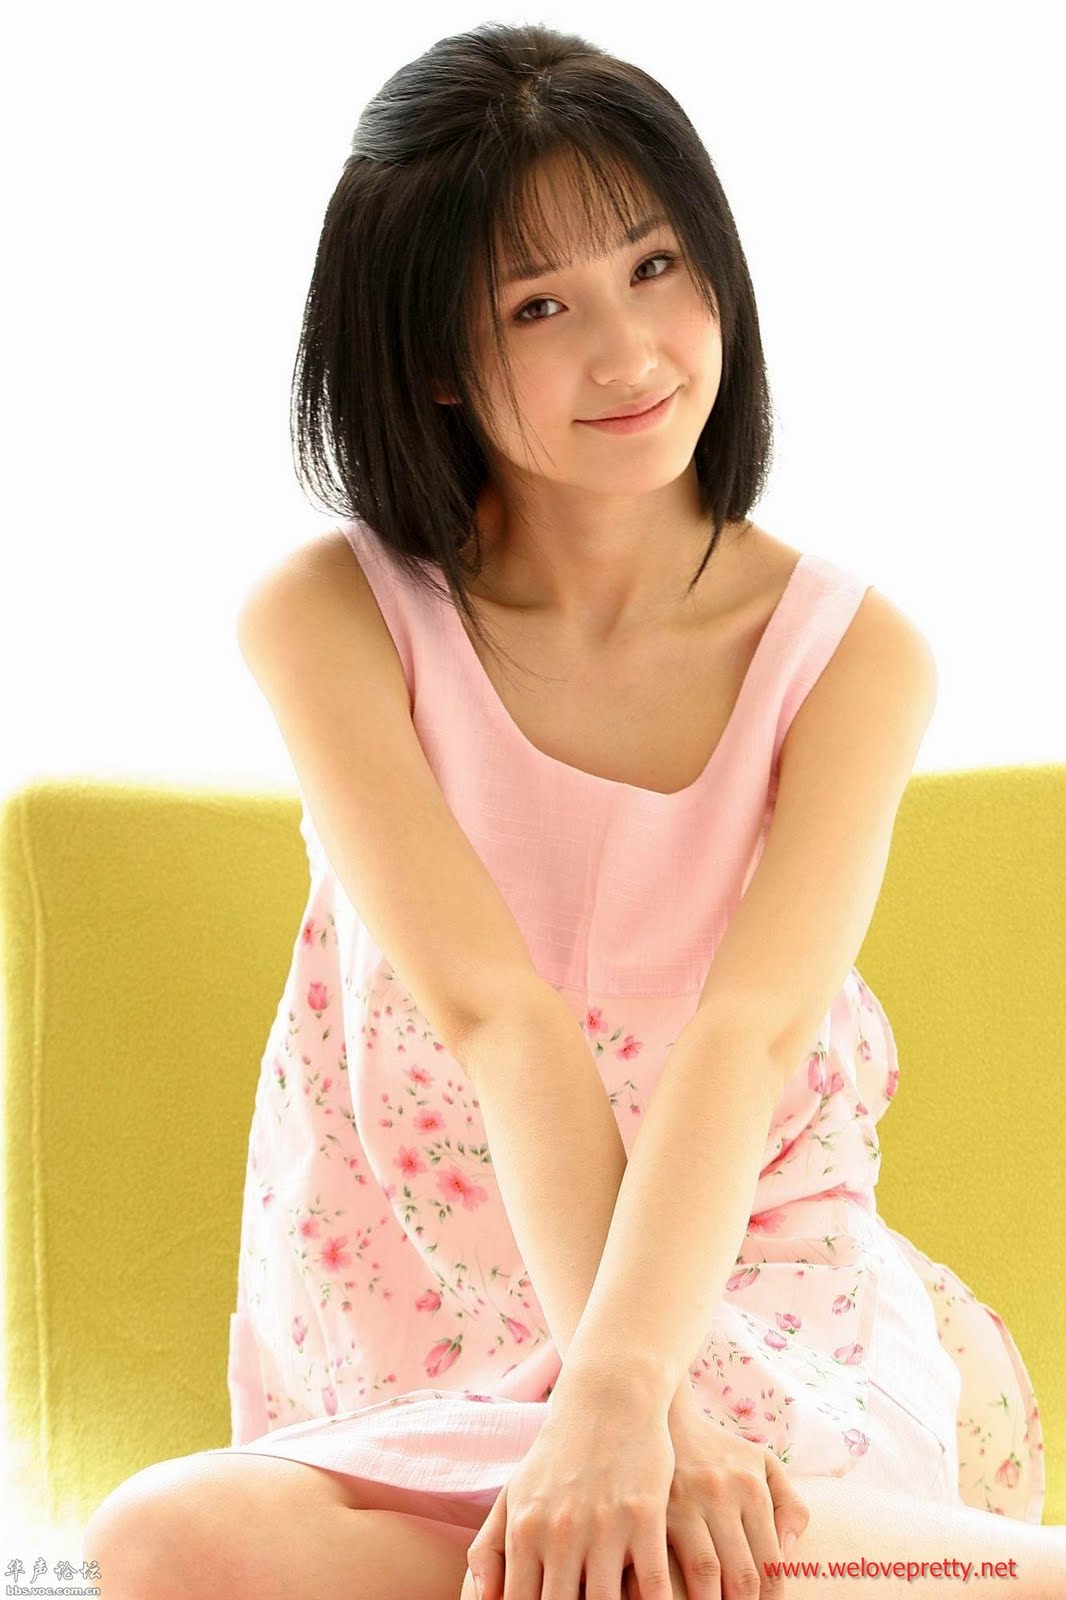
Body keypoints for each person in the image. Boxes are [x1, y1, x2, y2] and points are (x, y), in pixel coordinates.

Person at [82, 20, 1063, 1600]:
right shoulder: (335, 618)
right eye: (538, 306)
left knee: (649, 1531)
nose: (629, 354)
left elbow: (748, 1036)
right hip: (425, 1297)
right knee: (164, 1542)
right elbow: (496, 1020)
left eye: (655, 267)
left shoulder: (848, 654)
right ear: (429, 357)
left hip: (738, 1281)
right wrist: (617, 1415)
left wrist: (633, 1389)